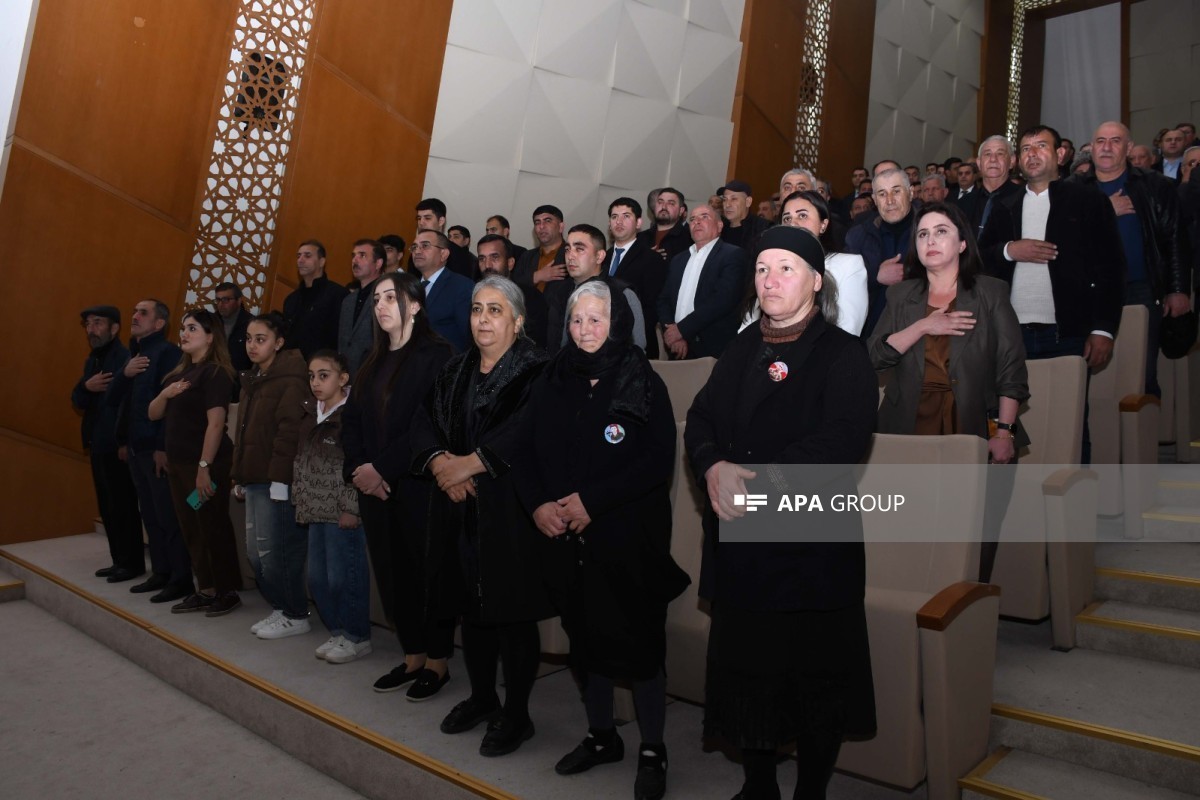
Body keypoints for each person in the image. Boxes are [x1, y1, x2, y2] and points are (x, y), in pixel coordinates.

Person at [685, 226, 877, 800]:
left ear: (817, 281)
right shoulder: (743, 347)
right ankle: (759, 783)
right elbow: (700, 419)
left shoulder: (844, 354)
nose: (770, 280)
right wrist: (712, 466)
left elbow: (841, 441)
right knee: (749, 675)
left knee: (813, 681)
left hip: (811, 548)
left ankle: (810, 791)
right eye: (763, 268)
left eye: (786, 268)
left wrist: (760, 483)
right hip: (743, 543)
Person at [519, 282, 685, 800]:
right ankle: (601, 737)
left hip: (628, 537)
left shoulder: (642, 379)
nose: (586, 331)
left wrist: (594, 500)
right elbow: (525, 450)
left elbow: (656, 461)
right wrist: (538, 504)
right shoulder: (551, 377)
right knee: (584, 642)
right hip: (567, 538)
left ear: (616, 323)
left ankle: (654, 749)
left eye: (596, 320)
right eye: (577, 320)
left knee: (640, 649)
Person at [413, 276, 552, 758]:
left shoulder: (539, 369)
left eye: (495, 310)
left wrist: (469, 464)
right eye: (477, 309)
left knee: (511, 613)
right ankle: (481, 696)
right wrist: (439, 465)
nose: (483, 319)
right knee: (471, 609)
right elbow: (423, 422)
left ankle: (516, 714)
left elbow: (529, 430)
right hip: (457, 506)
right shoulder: (455, 369)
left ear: (517, 320)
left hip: (509, 509)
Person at [867, 203, 1029, 580]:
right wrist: (924, 326)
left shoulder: (990, 292)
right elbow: (874, 358)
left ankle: (964, 617)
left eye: (941, 231)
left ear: (960, 244)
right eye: (922, 234)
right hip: (906, 426)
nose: (930, 240)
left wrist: (1003, 432)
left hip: (971, 423)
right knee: (907, 532)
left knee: (970, 533)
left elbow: (1011, 370)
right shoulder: (901, 296)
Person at [342, 272, 456, 699]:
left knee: (427, 572)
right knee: (392, 574)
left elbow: (428, 426)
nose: (382, 306)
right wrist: (358, 469)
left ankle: (438, 660)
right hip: (374, 487)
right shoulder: (372, 359)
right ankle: (412, 654)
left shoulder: (438, 355)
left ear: (417, 304)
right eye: (376, 300)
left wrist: (382, 470)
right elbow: (350, 422)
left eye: (391, 297)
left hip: (416, 485)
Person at [148, 309, 243, 617]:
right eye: (184, 328)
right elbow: (153, 413)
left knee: (211, 525)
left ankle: (227, 590)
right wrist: (165, 392)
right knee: (191, 526)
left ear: (211, 336)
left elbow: (216, 424)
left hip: (205, 464)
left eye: (192, 328)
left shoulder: (215, 372)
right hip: (180, 465)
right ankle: (206, 588)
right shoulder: (179, 374)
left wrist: (204, 467)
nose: (184, 334)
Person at [230, 312, 310, 640]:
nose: (252, 345)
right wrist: (238, 475)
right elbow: (243, 431)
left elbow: (289, 434)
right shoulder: (253, 379)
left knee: (277, 551)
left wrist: (280, 480)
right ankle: (281, 608)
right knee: (255, 552)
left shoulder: (291, 380)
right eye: (248, 338)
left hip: (275, 480)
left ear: (278, 343)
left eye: (260, 339)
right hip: (254, 477)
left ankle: (294, 613)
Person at [108, 300, 193, 602]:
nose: (134, 315)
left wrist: (161, 447)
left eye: (143, 313)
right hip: (134, 447)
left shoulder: (168, 353)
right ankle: (161, 571)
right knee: (150, 514)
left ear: (159, 324)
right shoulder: (135, 355)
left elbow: (171, 405)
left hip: (155, 449)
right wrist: (125, 373)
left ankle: (181, 578)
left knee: (167, 515)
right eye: (134, 311)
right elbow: (113, 398)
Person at [295, 350, 372, 664]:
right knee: (318, 578)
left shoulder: (351, 414)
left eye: (324, 375)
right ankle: (338, 631)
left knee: (345, 576)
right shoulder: (310, 412)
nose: (315, 382)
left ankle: (357, 635)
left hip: (341, 509)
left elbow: (358, 462)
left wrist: (352, 507)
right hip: (314, 508)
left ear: (343, 378)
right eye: (311, 375)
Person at [73, 304, 145, 583]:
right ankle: (119, 561)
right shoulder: (93, 360)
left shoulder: (123, 358)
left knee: (123, 505)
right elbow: (78, 400)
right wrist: (85, 387)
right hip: (97, 443)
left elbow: (127, 404)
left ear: (114, 328)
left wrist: (124, 441)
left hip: (116, 445)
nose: (92, 329)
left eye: (98, 323)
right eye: (89, 324)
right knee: (107, 506)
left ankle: (132, 564)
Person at [739, 190, 869, 336]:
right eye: (787, 218)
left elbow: (848, 331)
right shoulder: (769, 265)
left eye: (802, 215)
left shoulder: (849, 265)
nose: (793, 223)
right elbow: (748, 327)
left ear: (823, 225)